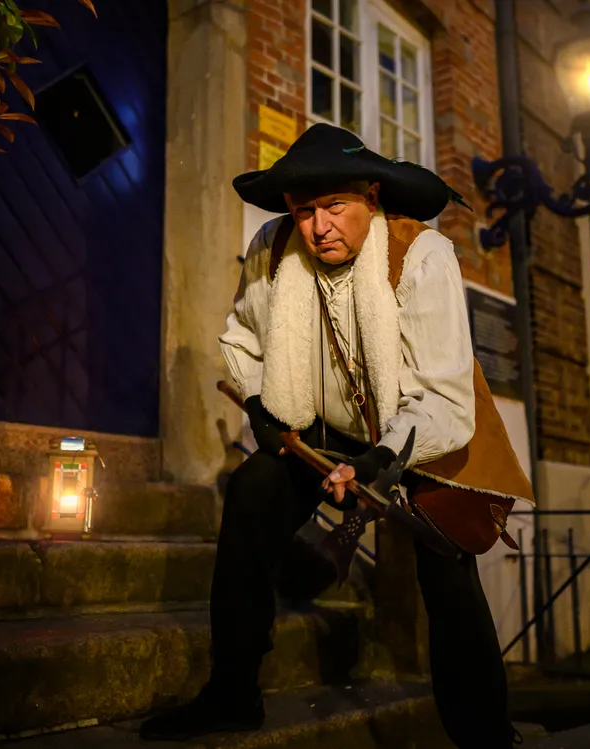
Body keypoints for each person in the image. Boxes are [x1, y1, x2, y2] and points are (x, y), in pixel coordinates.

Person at [139, 123, 533, 747]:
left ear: (371, 197)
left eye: (334, 207)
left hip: (417, 427)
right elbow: (241, 342)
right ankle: (232, 693)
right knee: (252, 490)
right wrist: (262, 404)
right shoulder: (273, 248)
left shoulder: (421, 256)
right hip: (319, 427)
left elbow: (443, 397)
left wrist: (381, 458)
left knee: (449, 564)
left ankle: (485, 733)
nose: (318, 226)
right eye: (305, 210)